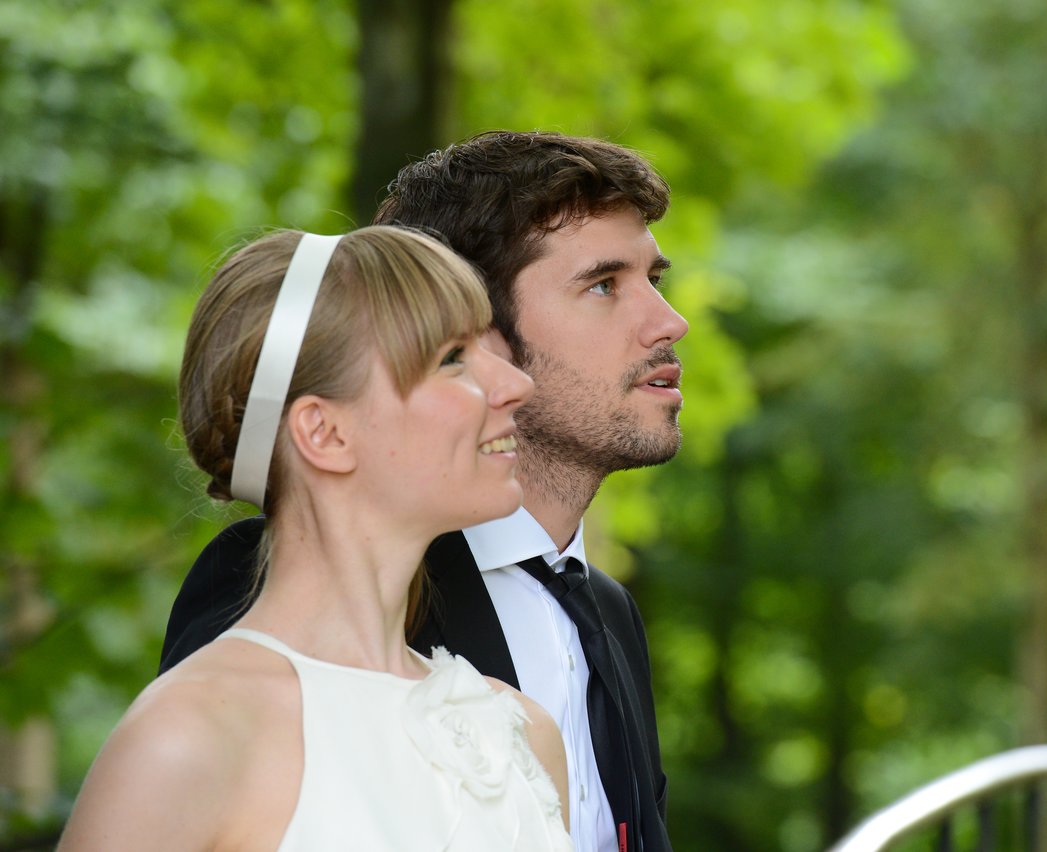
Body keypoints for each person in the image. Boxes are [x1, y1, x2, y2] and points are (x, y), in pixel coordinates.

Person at [159, 131, 688, 852]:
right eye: (604, 285)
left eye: (656, 280)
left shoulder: (609, 615)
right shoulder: (287, 584)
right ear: (482, 330)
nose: (669, 322)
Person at [59, 227, 572, 851]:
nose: (516, 384)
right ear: (324, 433)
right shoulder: (188, 740)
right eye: (452, 357)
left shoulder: (522, 736)